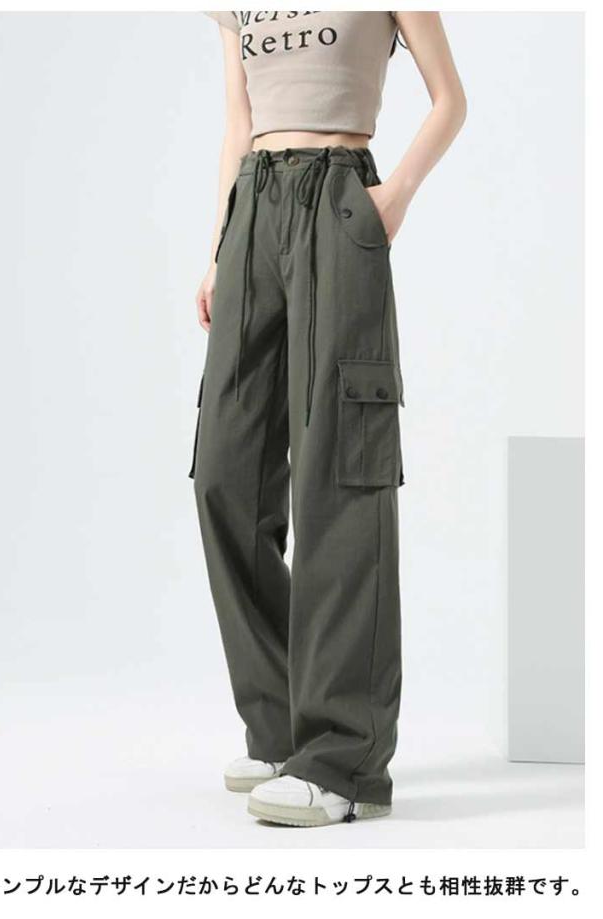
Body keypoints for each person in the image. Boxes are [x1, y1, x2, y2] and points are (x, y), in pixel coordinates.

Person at [190, 11, 466, 828]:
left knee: (338, 469)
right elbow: (239, 120)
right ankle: (281, 726)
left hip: (340, 196)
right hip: (253, 207)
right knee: (224, 476)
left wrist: (392, 198)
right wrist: (219, 247)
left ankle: (344, 759)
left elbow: (450, 100)